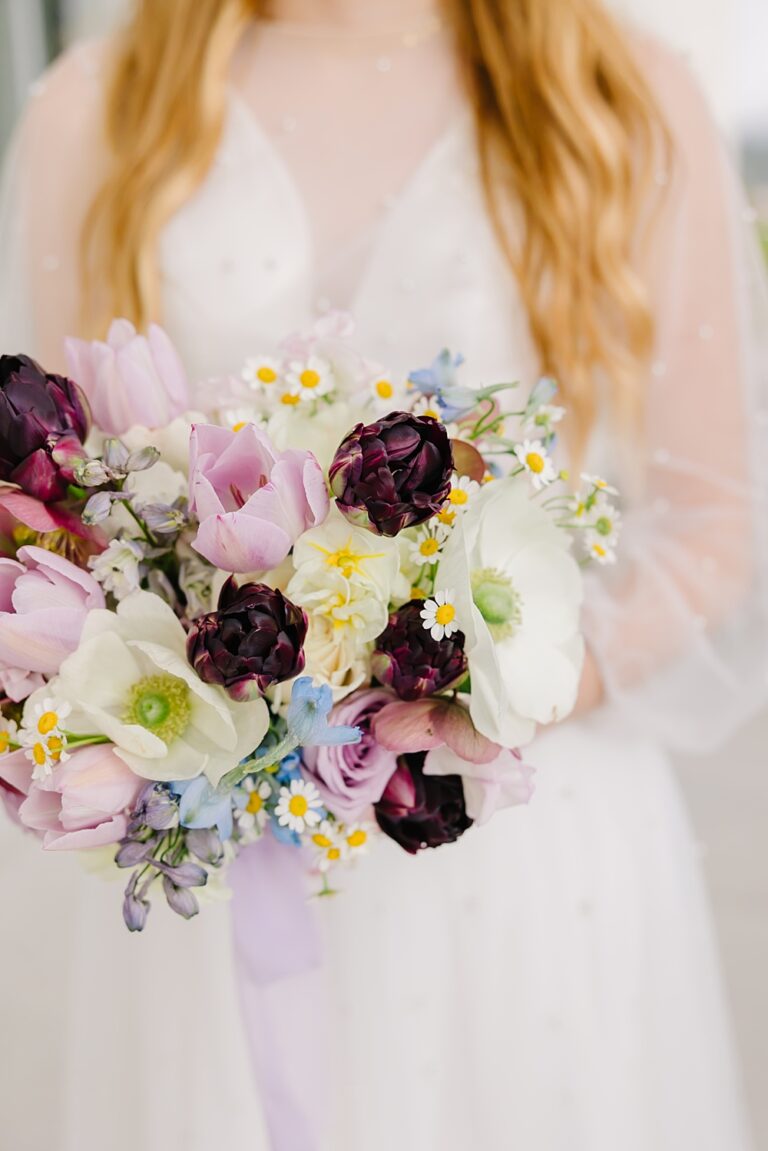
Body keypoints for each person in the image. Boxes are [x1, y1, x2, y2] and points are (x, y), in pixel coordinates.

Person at [0, 1, 766, 1148]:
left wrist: (490, 697)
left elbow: (717, 511)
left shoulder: (621, 94)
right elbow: (57, 510)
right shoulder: (96, 108)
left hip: (526, 850)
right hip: (221, 860)